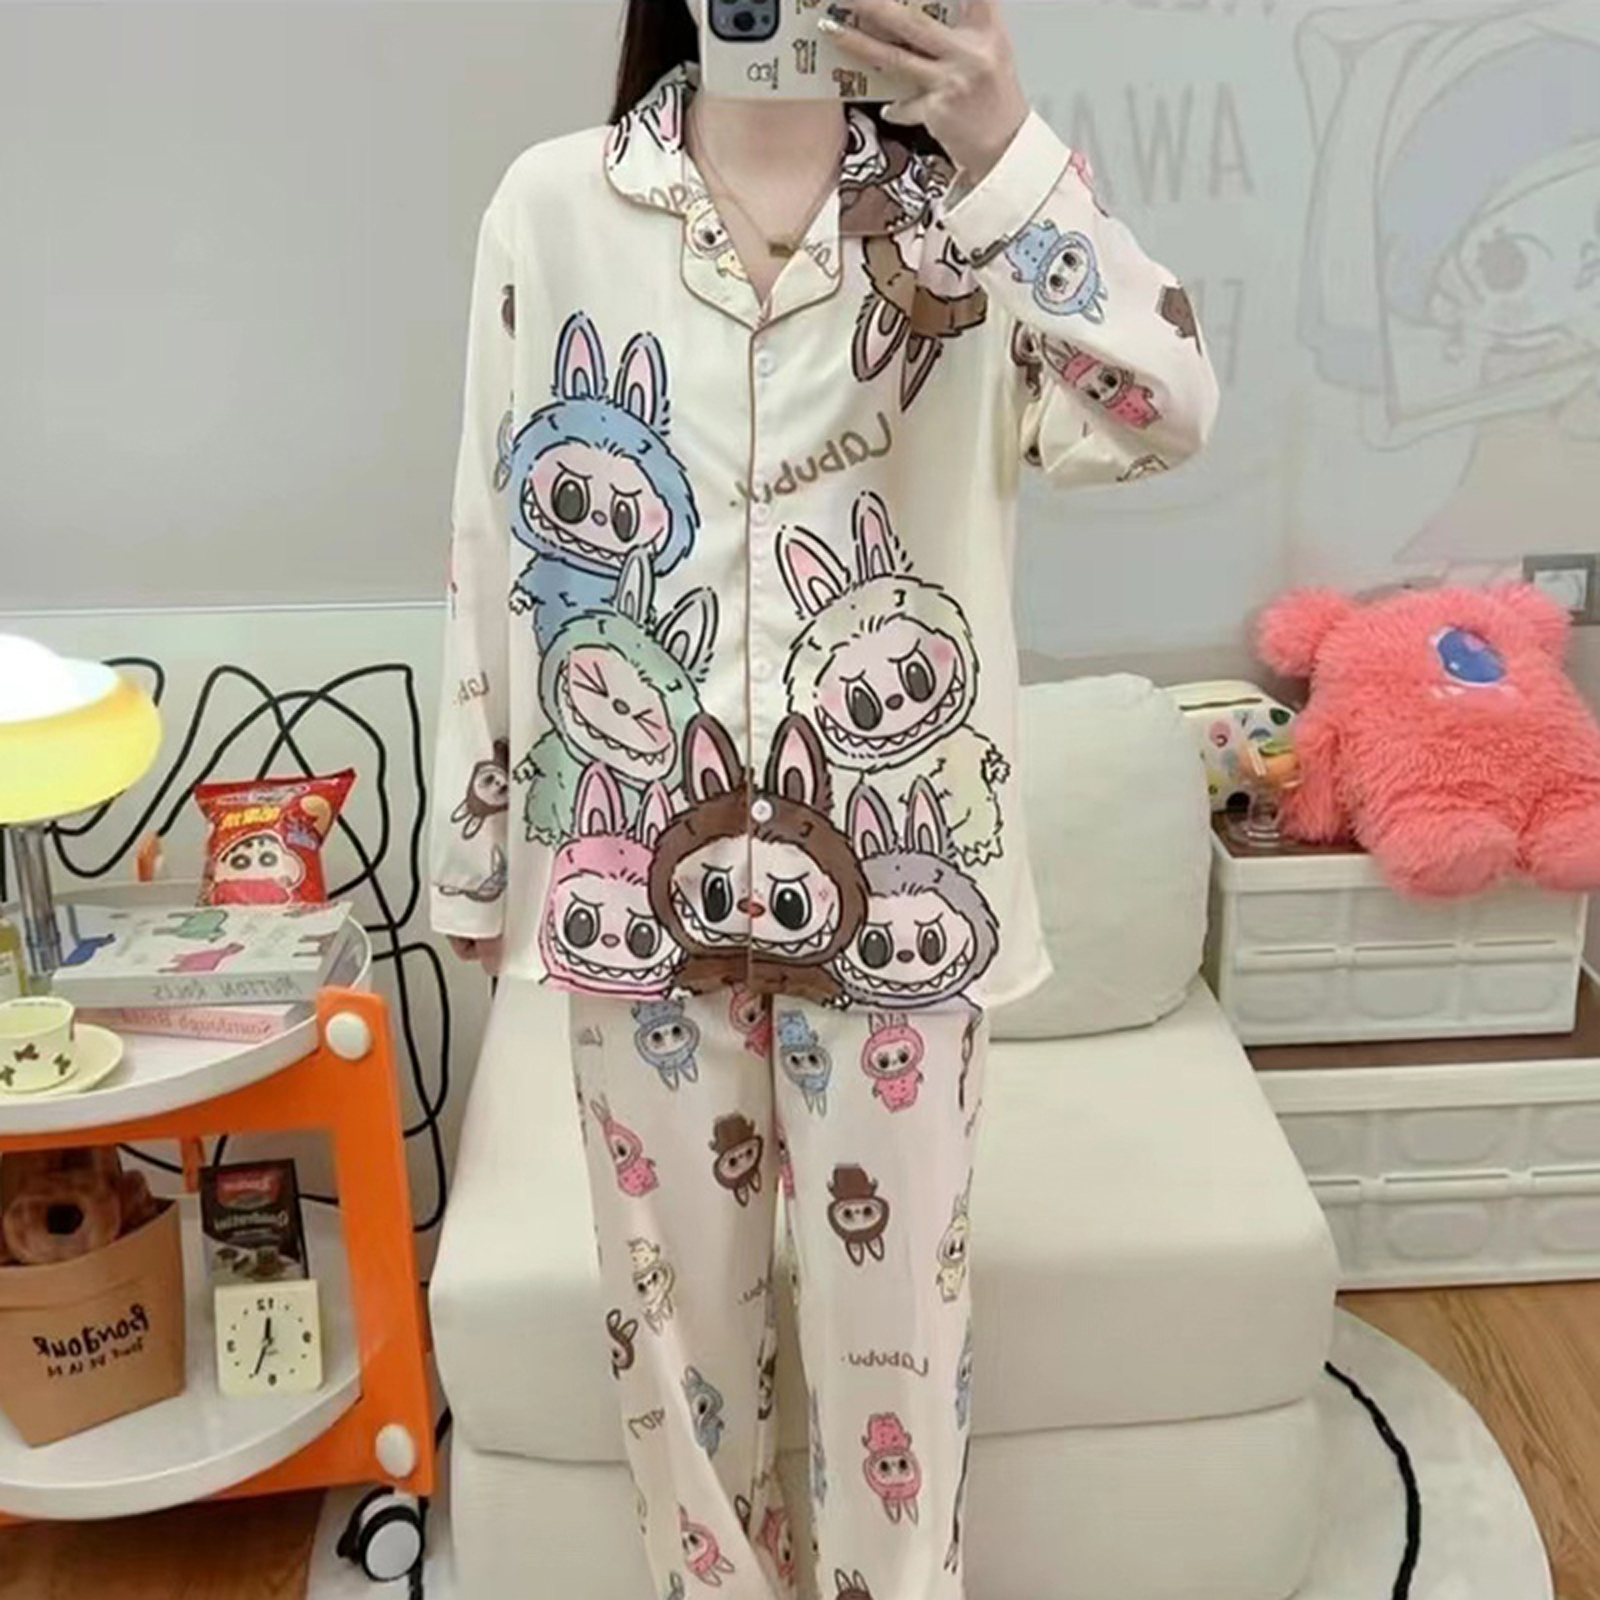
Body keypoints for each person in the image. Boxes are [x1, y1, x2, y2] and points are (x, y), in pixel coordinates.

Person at [429, 4, 1218, 1596]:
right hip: (633, 891)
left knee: (899, 1356)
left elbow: (1167, 413)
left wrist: (1003, 147)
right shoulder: (555, 206)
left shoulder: (969, 222)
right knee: (676, 1365)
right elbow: (493, 531)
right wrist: (474, 855)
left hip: (905, 905)